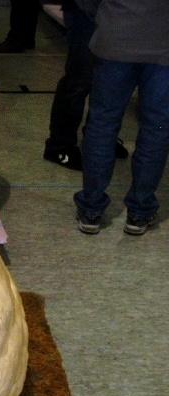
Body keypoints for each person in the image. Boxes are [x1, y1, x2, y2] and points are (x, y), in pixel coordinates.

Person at [73, 0, 169, 235]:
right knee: (156, 129)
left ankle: (91, 208)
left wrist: (106, 14)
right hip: (164, 43)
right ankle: (140, 211)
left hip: (115, 38)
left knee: (102, 125)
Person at [43, 0, 128, 170]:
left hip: (115, 14)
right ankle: (59, 145)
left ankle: (97, 136)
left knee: (109, 77)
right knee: (80, 78)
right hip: (86, 10)